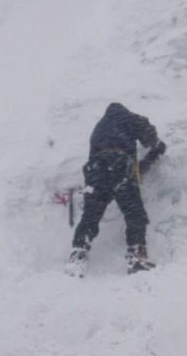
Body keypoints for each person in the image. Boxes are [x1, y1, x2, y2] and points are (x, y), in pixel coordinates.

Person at [66, 103, 166, 277]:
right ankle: (136, 258)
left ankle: (78, 255)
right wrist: (157, 145)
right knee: (134, 214)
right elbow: (148, 135)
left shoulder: (99, 128)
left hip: (96, 172)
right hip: (119, 167)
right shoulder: (129, 118)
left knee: (91, 216)